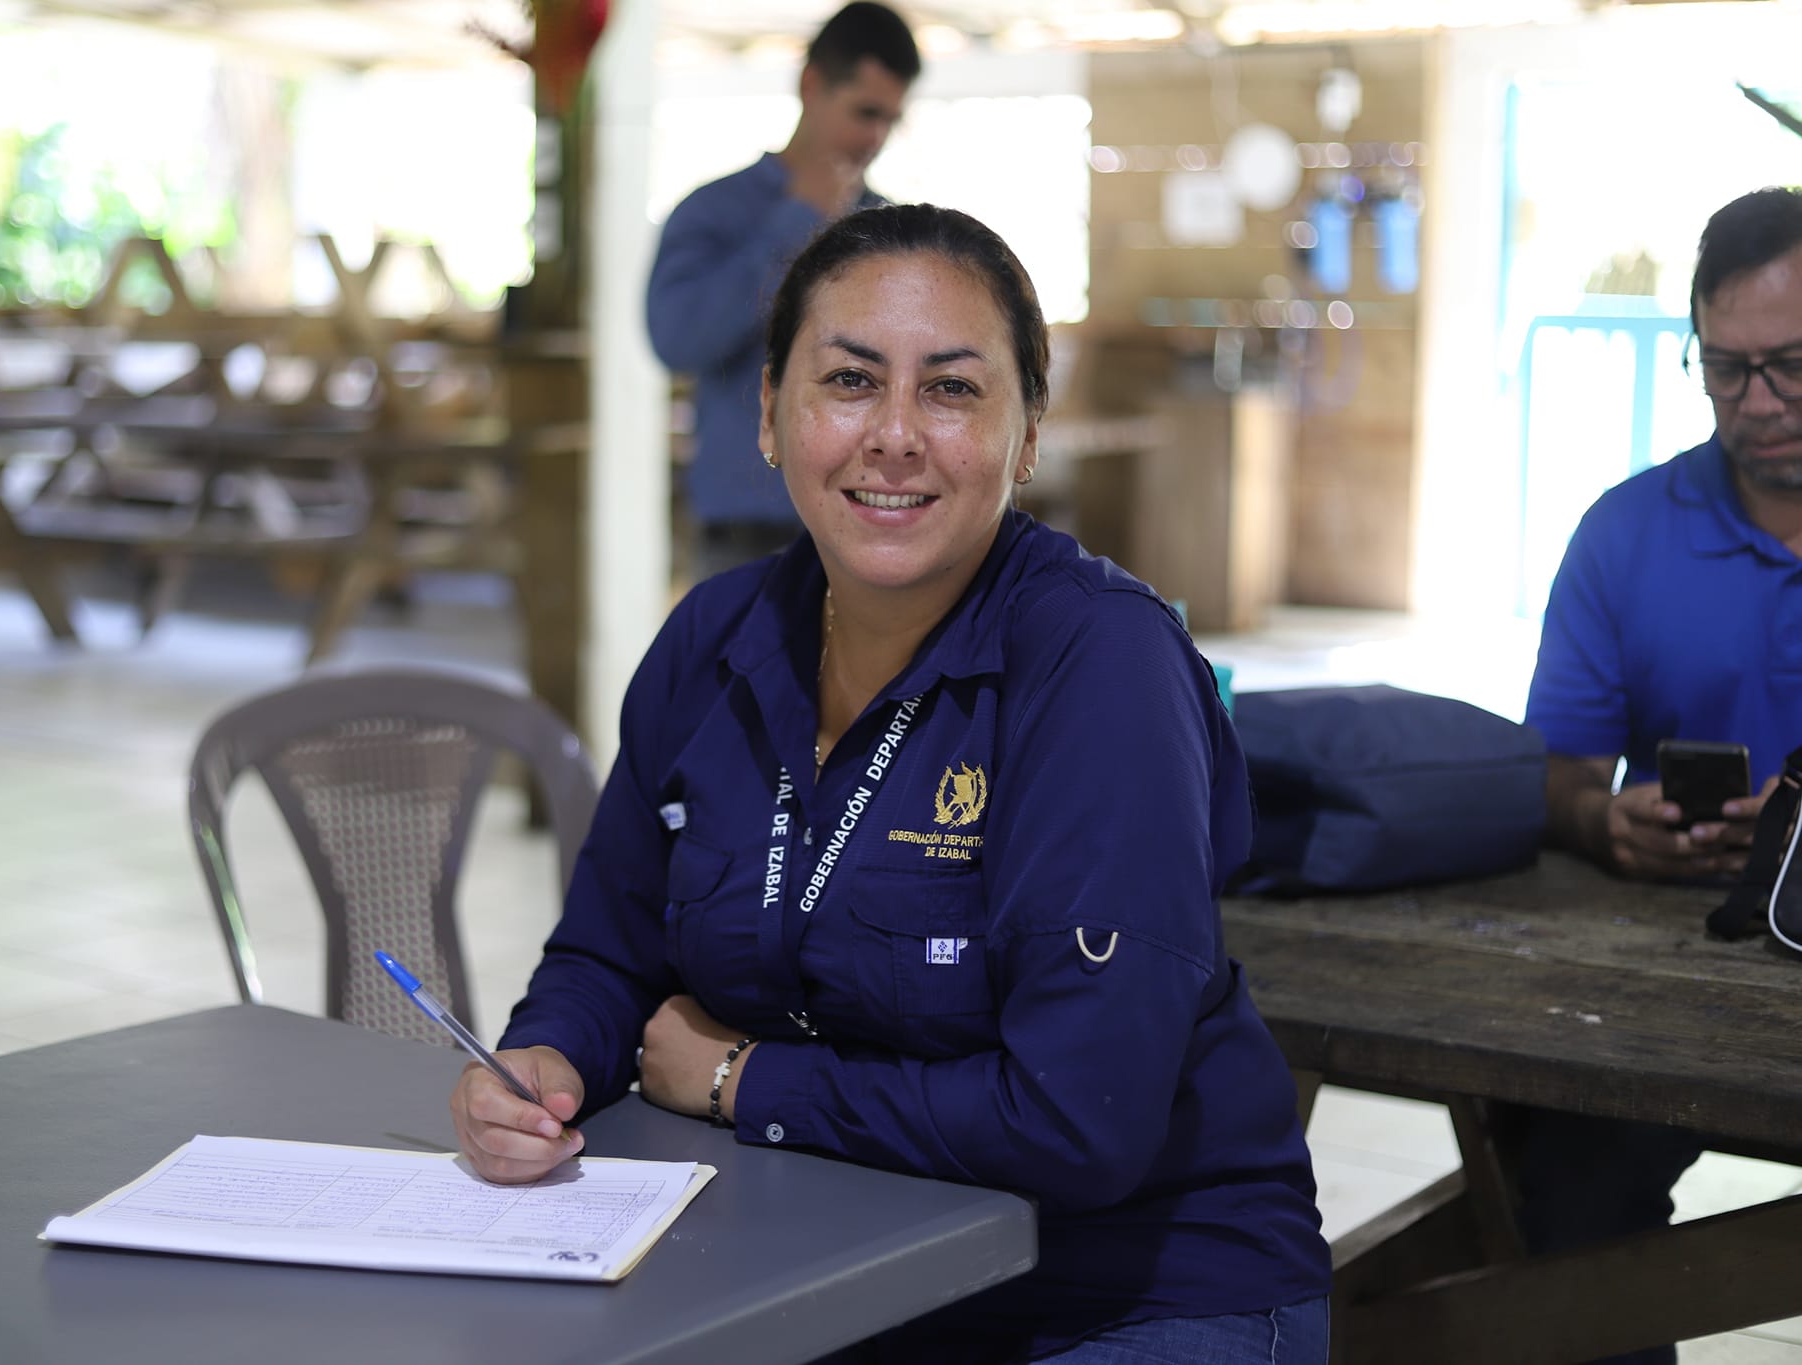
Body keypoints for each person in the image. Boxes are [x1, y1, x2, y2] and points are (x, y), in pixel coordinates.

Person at [452, 204, 1331, 1364]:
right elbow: (610, 954)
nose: (896, 435)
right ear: (769, 415)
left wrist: (742, 1080)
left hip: (1121, 1296)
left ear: (1026, 436)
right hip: (811, 1265)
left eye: (952, 390)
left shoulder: (1097, 665)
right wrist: (546, 1064)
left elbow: (1078, 1121)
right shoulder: (712, 641)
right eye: (850, 382)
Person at [1519, 185, 1802, 1365]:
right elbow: (1551, 773)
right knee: (1557, 1184)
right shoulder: (1623, 535)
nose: (1759, 403)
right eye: (1725, 369)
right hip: (1667, 965)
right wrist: (1600, 822)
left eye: (1791, 365)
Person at [647, 3, 921, 579]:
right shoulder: (715, 212)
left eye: (890, 121)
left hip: (866, 521)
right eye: (865, 112)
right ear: (812, 85)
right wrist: (799, 220)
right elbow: (677, 340)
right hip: (744, 533)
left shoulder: (888, 228)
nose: (874, 138)